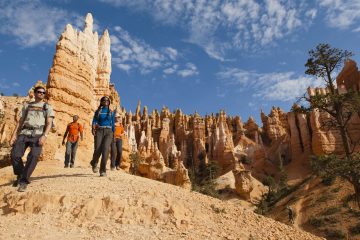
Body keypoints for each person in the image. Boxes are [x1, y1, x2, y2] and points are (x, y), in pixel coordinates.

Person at [10, 85, 55, 192]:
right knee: (15, 155)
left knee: (34, 156)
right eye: (39, 92)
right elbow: (20, 122)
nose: (41, 94)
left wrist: (45, 136)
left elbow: (49, 123)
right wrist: (13, 135)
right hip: (24, 133)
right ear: (34, 93)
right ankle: (20, 174)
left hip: (38, 134)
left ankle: (24, 181)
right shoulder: (27, 106)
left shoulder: (47, 107)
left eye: (43, 93)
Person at [90, 96, 114, 177]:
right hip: (99, 130)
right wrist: (93, 128)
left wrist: (113, 134)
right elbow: (94, 120)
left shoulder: (111, 112)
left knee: (106, 149)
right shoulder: (98, 111)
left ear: (109, 102)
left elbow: (113, 124)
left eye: (107, 100)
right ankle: (94, 162)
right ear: (101, 102)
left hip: (109, 132)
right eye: (104, 100)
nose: (106, 101)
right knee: (97, 149)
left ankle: (103, 170)